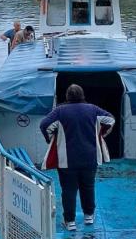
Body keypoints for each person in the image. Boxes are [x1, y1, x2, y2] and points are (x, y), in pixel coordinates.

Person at [39, 84, 115, 231]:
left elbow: (45, 125)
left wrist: (51, 138)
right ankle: (89, 216)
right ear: (82, 95)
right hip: (90, 157)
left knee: (68, 190)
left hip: (66, 160)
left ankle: (70, 221)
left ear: (67, 96)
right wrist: (100, 133)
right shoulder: (93, 109)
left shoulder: (60, 111)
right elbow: (110, 120)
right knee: (88, 186)